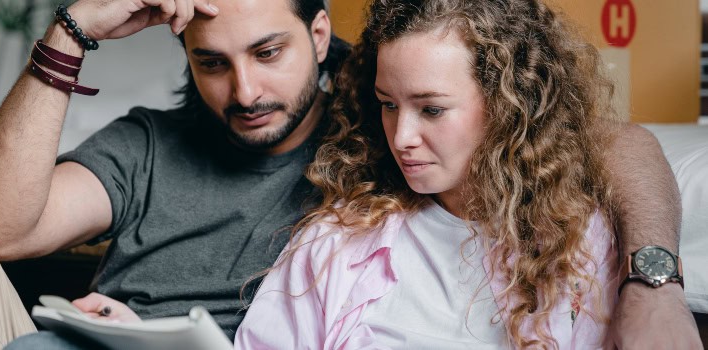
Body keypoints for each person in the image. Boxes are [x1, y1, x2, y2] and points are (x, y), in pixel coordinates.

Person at [0, 0, 698, 348]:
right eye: (212, 63)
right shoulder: (149, 145)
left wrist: (654, 283)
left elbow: (612, 142)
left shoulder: (372, 125)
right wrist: (72, 33)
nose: (245, 92)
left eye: (268, 53)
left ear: (319, 33)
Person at [233, 0, 702, 348]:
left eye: (432, 109)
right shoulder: (334, 245)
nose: (402, 137)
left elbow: (628, 141)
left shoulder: (586, 245)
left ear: (508, 105)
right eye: (388, 105)